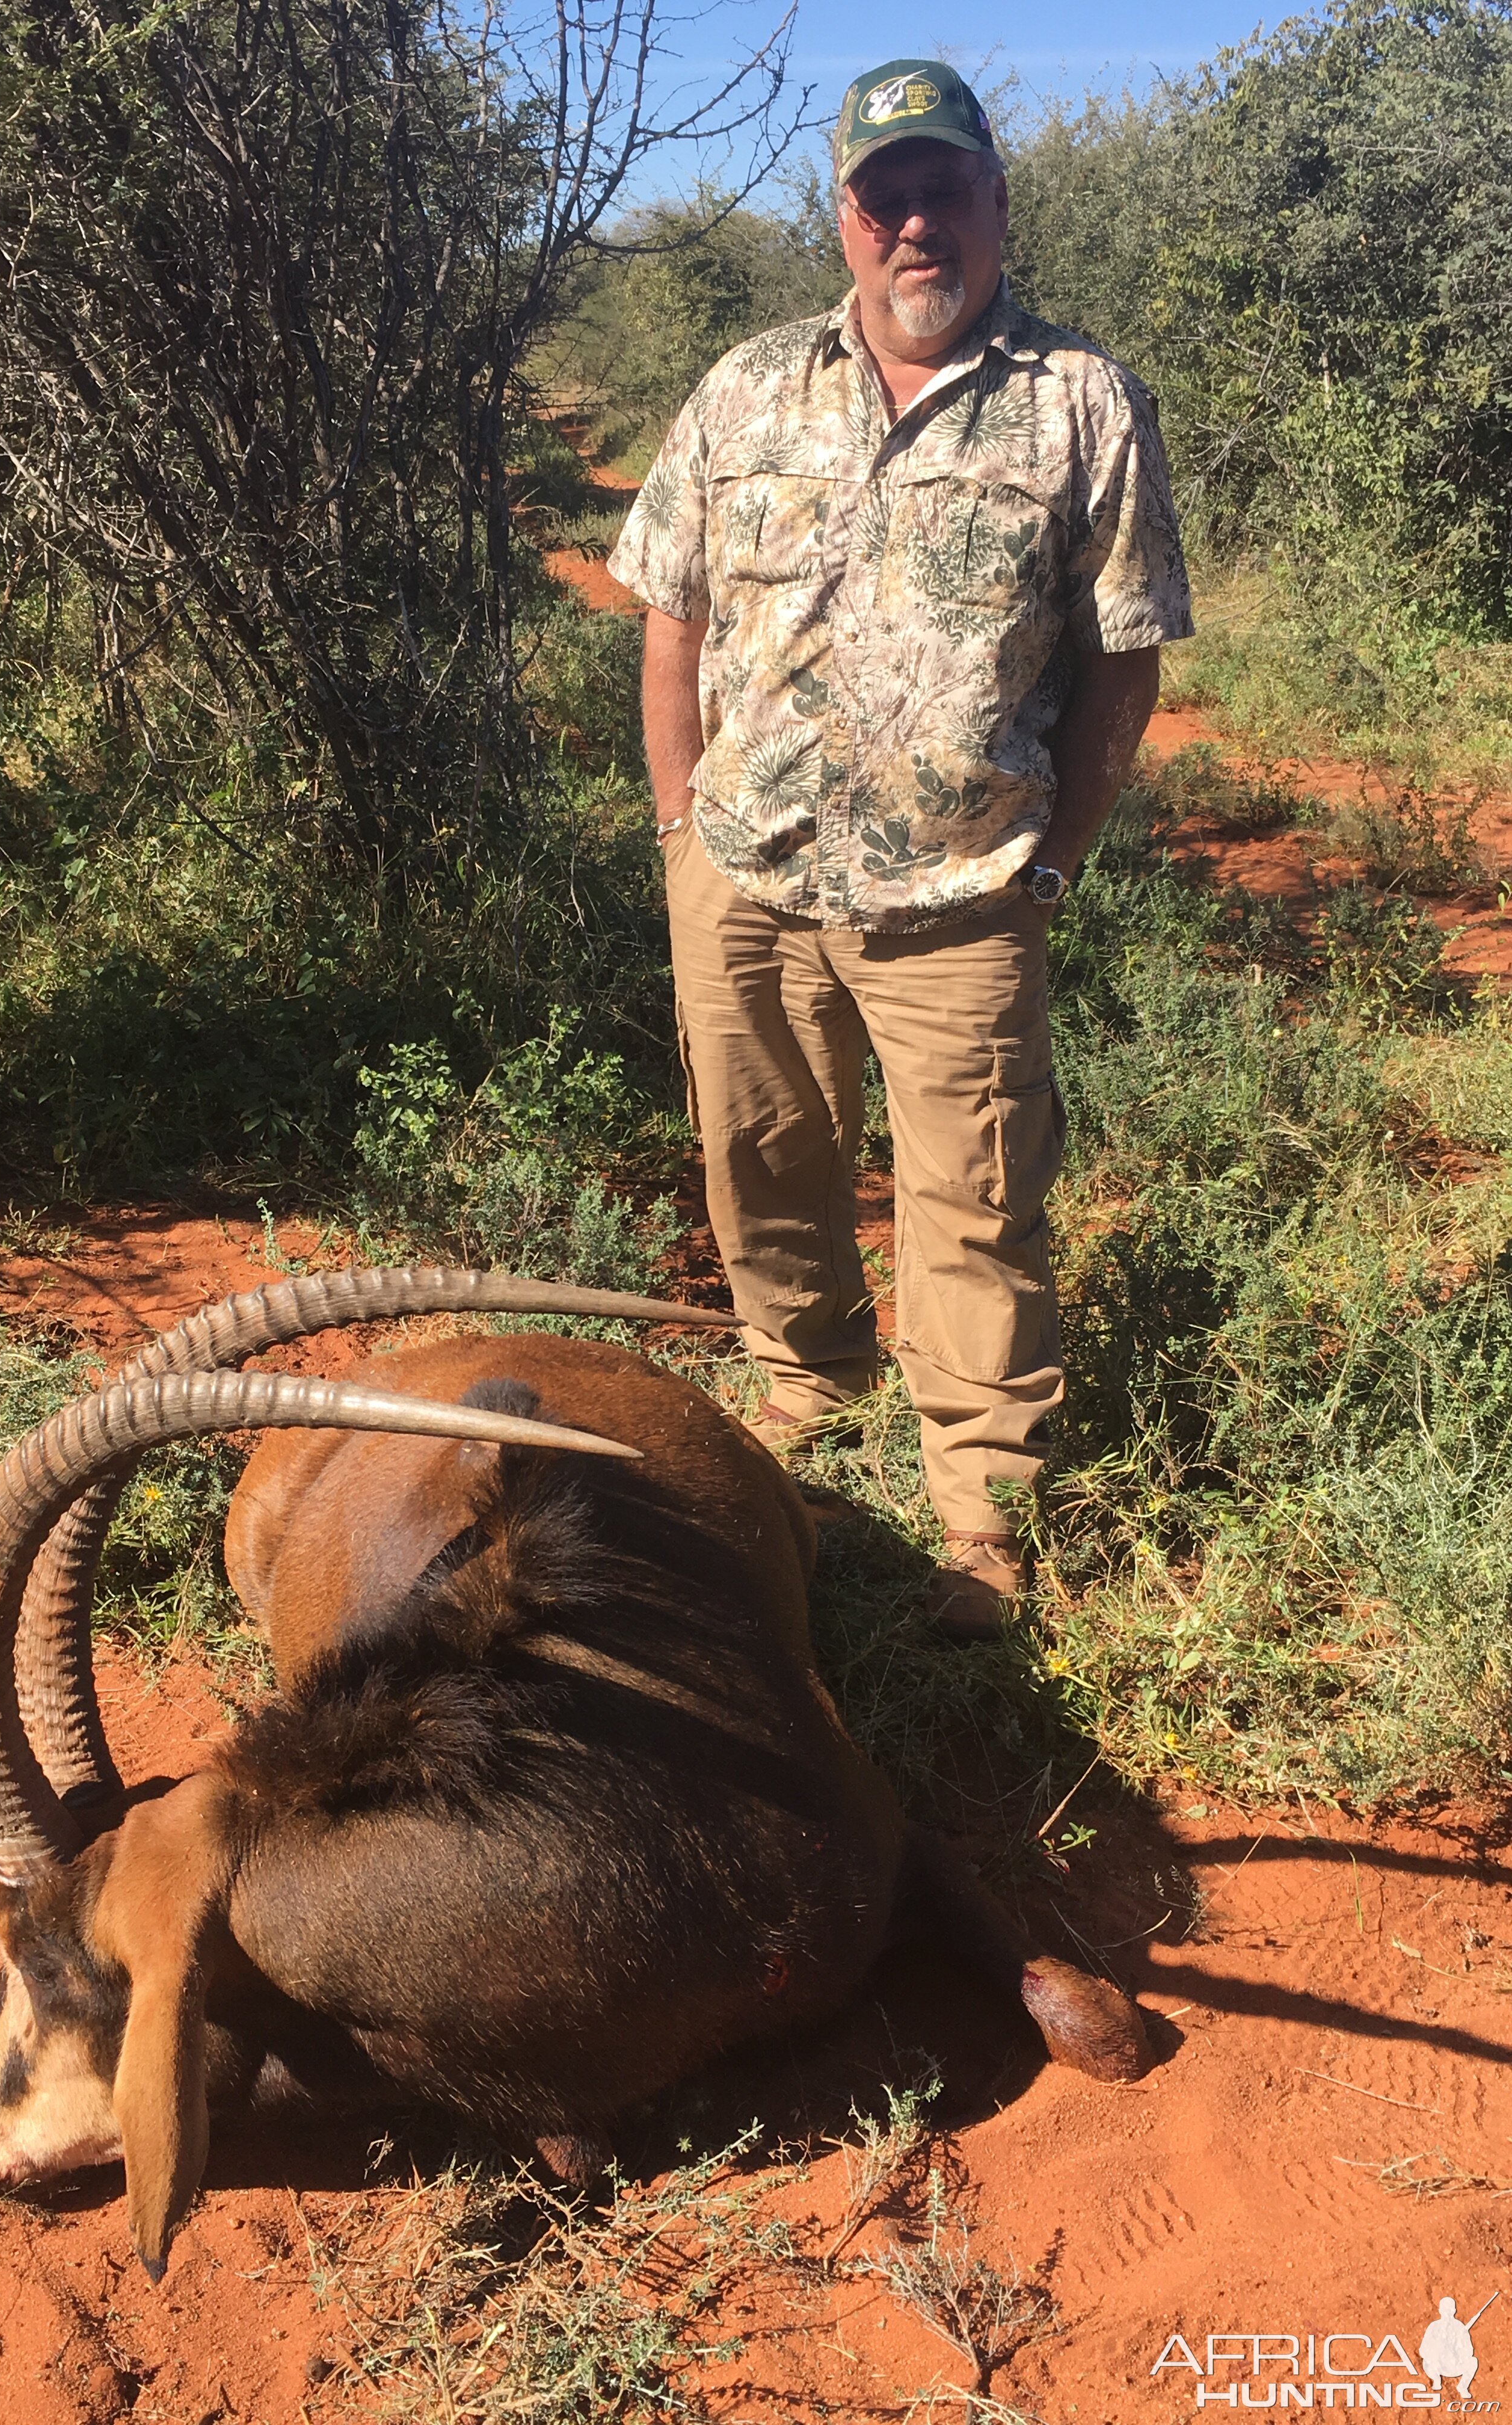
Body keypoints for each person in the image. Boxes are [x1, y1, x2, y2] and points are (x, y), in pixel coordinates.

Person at [606, 56, 1194, 1637]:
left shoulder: (1082, 401)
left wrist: (1055, 854)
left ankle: (983, 1510)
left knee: (977, 1199)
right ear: (846, 218)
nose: (916, 224)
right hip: (744, 874)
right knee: (763, 1164)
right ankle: (805, 1403)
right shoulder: (745, 388)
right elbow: (668, 611)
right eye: (887, 196)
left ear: (998, 204)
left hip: (963, 893)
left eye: (945, 189)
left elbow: (1125, 654)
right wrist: (681, 829)